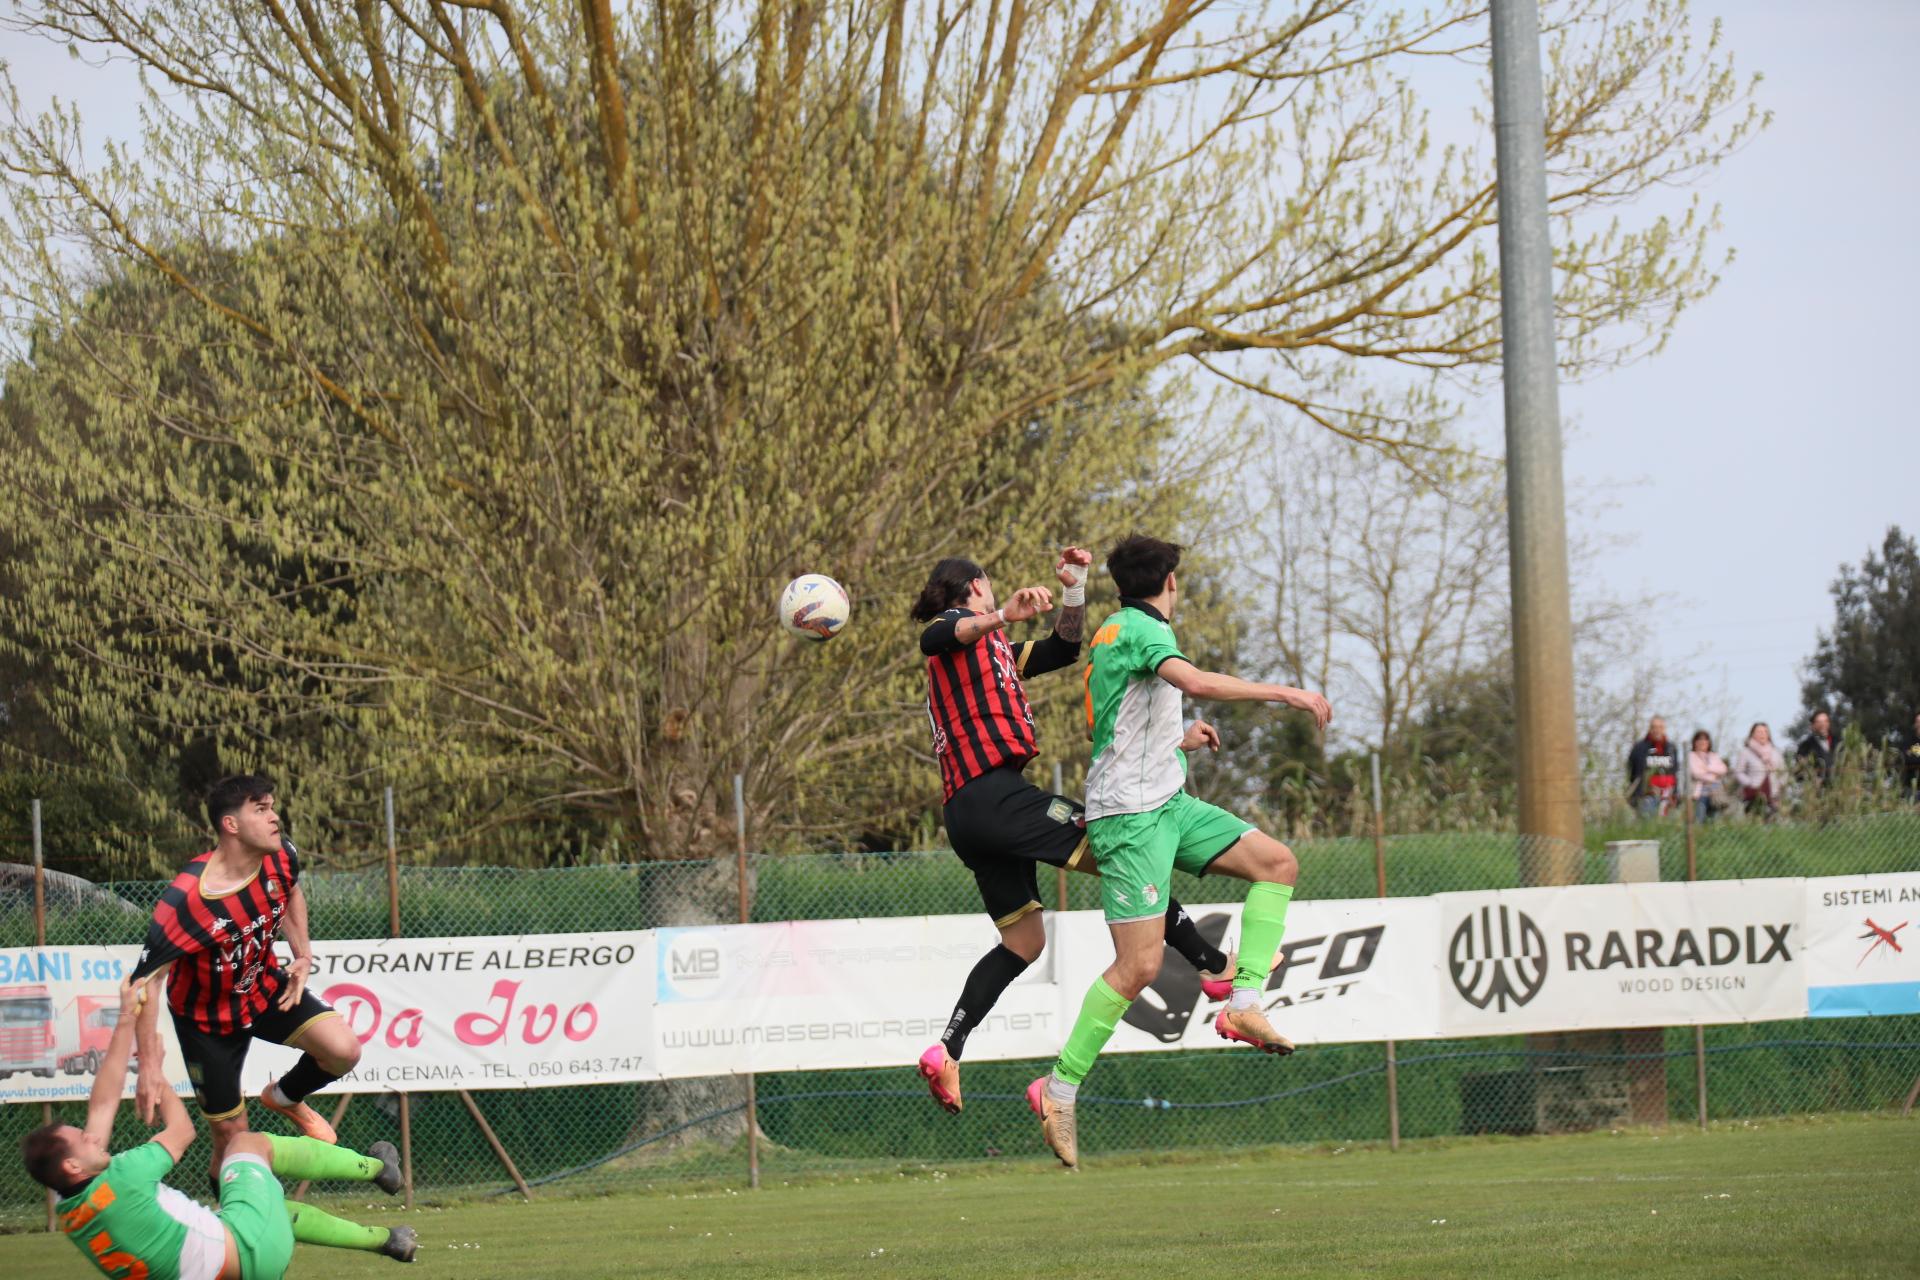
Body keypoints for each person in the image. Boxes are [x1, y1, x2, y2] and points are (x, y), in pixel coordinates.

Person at [1029, 534, 1330, 1170]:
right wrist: (1288, 693)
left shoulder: (1118, 630)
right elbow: (1194, 681)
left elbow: (1113, 724)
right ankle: (1059, 1088)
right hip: (1130, 819)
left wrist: (1178, 741)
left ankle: (1242, 1005)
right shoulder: (1141, 629)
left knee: (1276, 863)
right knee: (1137, 967)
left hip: (1167, 801)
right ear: (1169, 581)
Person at [910, 549, 1233, 1114]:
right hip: (994, 797)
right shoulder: (955, 632)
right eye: (988, 586)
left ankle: (949, 1049)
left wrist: (1075, 589)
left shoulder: (994, 650)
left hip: (968, 813)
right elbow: (937, 637)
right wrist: (1001, 615)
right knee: (1125, 853)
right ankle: (1212, 966)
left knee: (1023, 942)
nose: (994, 593)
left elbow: (1062, 648)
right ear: (975, 586)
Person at [21, 977, 416, 1279]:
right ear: (73, 1165)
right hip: (249, 1248)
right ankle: (375, 1168)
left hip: (243, 1267)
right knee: (245, 1144)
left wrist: (126, 1020)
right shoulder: (123, 1179)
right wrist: (154, 1072)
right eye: (83, 1139)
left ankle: (389, 1241)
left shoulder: (73, 1209)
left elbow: (103, 1104)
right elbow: (182, 1131)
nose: (92, 1135)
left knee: (273, 1210)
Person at [130, 775, 361, 1187]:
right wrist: (148, 1066)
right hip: (207, 1024)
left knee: (344, 1051)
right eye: (261, 809)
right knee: (232, 1140)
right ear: (231, 825)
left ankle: (284, 1097)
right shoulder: (187, 900)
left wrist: (303, 954)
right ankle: (231, 1222)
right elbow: (144, 983)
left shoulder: (281, 856)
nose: (275, 817)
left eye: (272, 807)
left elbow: (290, 892)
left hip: (263, 989)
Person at [1626, 717, 1680, 818]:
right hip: (1646, 797)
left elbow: (1675, 772)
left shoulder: (1671, 748)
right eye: (1654, 727)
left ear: (1664, 729)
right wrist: (1636, 795)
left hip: (1668, 797)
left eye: (1660, 727)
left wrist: (1676, 793)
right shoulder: (1639, 748)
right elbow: (1632, 771)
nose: (1657, 730)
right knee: (1647, 821)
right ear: (1650, 729)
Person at [1733, 723, 1786, 818]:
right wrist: (1749, 783)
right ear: (1752, 734)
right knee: (1755, 820)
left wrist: (1781, 784)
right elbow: (1738, 772)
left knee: (1773, 820)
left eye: (1765, 731)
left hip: (1773, 793)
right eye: (1759, 732)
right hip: (1754, 793)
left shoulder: (1776, 752)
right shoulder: (1746, 752)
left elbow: (1783, 771)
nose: (1763, 734)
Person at [1688, 730, 1729, 823]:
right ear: (1695, 742)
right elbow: (1696, 773)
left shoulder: (1713, 756)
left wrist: (1707, 768)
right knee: (1700, 818)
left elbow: (1723, 769)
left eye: (1705, 739)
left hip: (1715, 793)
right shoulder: (1691, 756)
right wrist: (1714, 775)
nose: (1703, 742)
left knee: (1715, 820)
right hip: (1700, 794)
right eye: (1700, 739)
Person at [1797, 710, 1837, 783]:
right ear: (1812, 726)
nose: (1823, 725)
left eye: (1825, 721)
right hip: (1817, 786)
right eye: (1819, 722)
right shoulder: (1806, 746)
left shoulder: (1838, 742)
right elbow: (1800, 772)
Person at [1903, 711, 1920, 800]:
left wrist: (1914, 755)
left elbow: (1912, 758)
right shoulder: (1909, 741)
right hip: (1911, 787)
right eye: (1918, 722)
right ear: (1915, 724)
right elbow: (1906, 759)